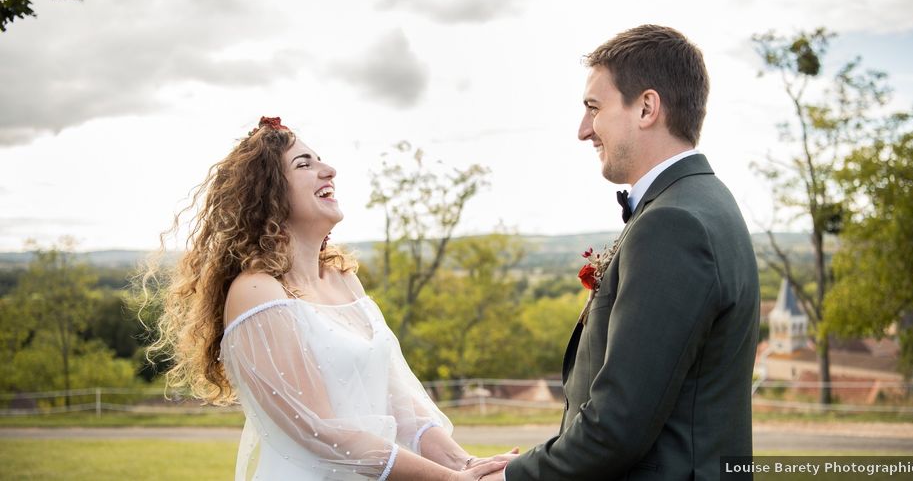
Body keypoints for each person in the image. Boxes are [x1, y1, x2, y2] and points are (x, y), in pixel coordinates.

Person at [144, 117, 509, 481]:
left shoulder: (344, 279)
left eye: (320, 160)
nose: (329, 170)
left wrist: (467, 464)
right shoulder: (256, 291)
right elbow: (319, 431)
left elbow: (401, 405)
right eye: (304, 164)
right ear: (268, 193)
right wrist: (448, 480)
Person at [486, 25, 760, 480]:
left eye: (594, 107)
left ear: (647, 108)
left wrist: (512, 477)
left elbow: (618, 426)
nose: (582, 130)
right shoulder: (707, 200)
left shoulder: (673, 224)